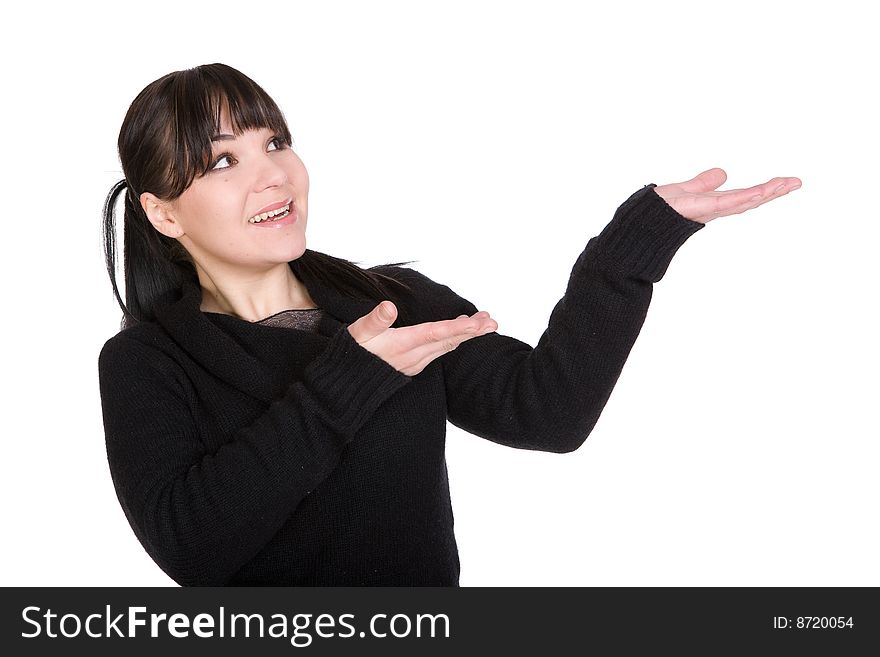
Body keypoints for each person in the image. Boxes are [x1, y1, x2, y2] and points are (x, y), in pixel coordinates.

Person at [98, 62, 801, 587]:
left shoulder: (394, 299)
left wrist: (630, 250)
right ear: (163, 213)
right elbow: (192, 546)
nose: (274, 175)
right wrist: (348, 379)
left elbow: (547, 411)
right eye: (224, 160)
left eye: (275, 142)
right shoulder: (146, 362)